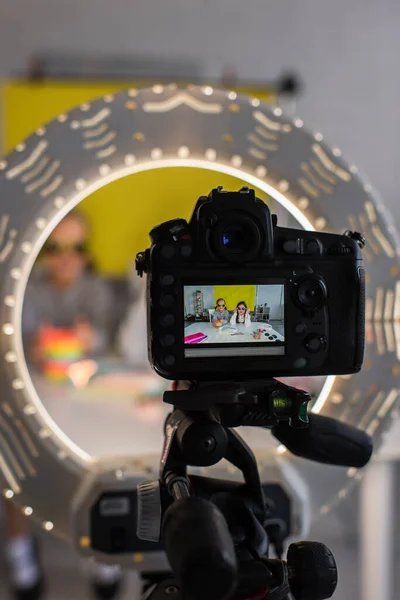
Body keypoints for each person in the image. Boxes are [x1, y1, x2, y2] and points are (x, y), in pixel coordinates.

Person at [4, 211, 123, 600]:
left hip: (84, 399)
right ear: (42, 251)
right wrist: (35, 348)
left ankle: (100, 552)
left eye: (76, 248)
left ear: (87, 253)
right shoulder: (27, 289)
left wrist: (91, 341)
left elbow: (110, 344)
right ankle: (20, 553)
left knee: (97, 470)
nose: (65, 258)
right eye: (55, 248)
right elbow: (19, 344)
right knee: (17, 473)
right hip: (36, 394)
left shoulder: (97, 290)